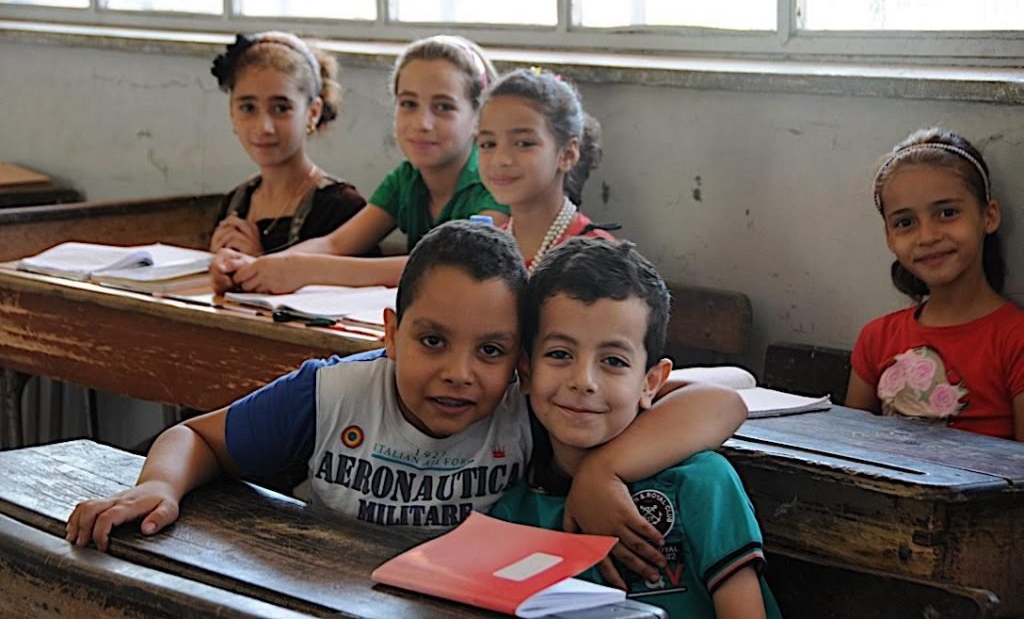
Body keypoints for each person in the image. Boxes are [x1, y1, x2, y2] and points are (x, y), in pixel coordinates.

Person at [66, 221, 746, 589]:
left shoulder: (529, 408)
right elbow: (198, 438)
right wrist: (160, 485)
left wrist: (602, 470)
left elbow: (722, 399)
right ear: (390, 333)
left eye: (491, 350)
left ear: (518, 359)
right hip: (322, 595)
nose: (459, 374)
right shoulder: (330, 394)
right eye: (432, 341)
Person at [491, 237, 781, 618]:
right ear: (526, 370)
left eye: (613, 361)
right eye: (560, 354)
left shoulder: (702, 483)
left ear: (650, 382)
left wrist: (599, 472)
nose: (584, 381)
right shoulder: (512, 515)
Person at [210, 35, 508, 293]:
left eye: (443, 107)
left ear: (479, 118)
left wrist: (306, 269)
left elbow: (450, 268)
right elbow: (335, 245)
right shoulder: (406, 180)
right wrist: (256, 268)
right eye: (408, 104)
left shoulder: (495, 182)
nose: (422, 123)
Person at [846, 128, 1024, 441]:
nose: (927, 236)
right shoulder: (876, 338)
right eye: (905, 222)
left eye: (947, 213)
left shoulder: (1015, 339)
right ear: (889, 237)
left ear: (989, 216)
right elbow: (850, 448)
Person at [209, 31, 369, 256]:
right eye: (248, 108)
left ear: (313, 113)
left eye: (281, 108)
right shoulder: (235, 203)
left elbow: (358, 280)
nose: (264, 127)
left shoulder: (340, 208)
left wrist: (258, 263)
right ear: (232, 113)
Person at [476, 68, 617, 272]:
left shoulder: (598, 259)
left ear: (567, 154)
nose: (500, 159)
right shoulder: (487, 252)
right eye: (488, 144)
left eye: (523, 143)